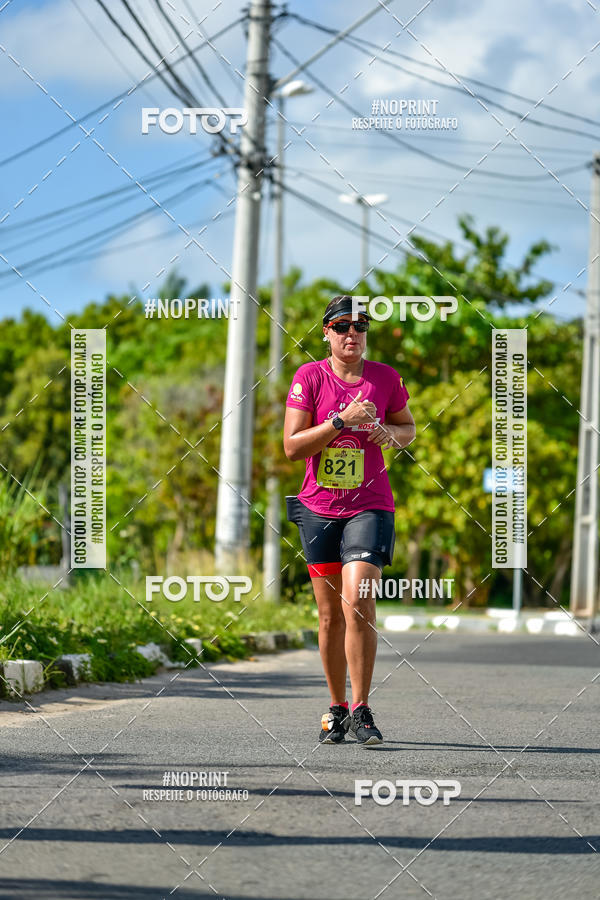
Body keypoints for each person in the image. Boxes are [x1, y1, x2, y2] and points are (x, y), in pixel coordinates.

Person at [283, 295, 416, 745]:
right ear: (326, 333)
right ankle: (336, 708)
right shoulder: (309, 378)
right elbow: (293, 446)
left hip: (370, 505)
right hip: (318, 509)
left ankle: (361, 708)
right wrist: (342, 420)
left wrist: (387, 434)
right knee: (328, 618)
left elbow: (407, 429)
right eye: (342, 327)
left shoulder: (385, 378)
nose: (351, 334)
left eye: (360, 326)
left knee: (357, 603)